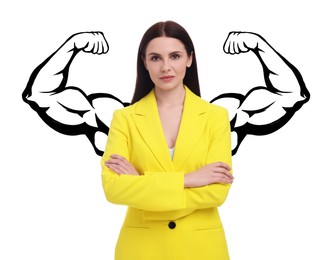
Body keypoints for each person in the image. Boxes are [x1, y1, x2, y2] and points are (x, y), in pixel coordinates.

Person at [101, 21, 234, 260]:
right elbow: (114, 189)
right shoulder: (124, 119)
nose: (166, 67)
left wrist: (141, 185)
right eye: (155, 58)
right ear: (144, 62)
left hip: (202, 248)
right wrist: (190, 179)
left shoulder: (216, 117)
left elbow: (216, 193)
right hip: (141, 248)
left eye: (174, 56)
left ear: (189, 59)